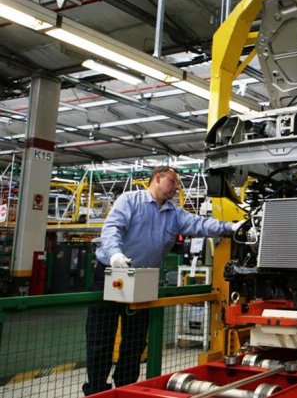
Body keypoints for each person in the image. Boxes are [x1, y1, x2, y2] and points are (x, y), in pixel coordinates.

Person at [83, 166, 242, 395]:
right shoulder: (130, 201)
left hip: (144, 278)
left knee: (135, 340)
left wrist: (231, 227)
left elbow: (200, 224)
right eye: (173, 181)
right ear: (157, 178)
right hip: (111, 273)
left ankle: (127, 388)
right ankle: (97, 391)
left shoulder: (174, 213)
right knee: (101, 337)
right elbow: (112, 228)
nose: (177, 187)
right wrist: (115, 254)